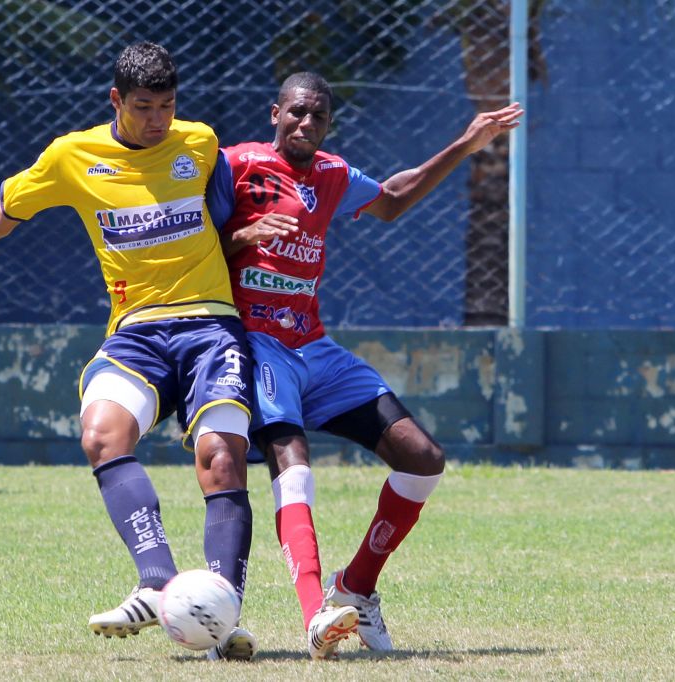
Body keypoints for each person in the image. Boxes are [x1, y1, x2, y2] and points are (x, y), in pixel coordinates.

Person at [0, 42, 258, 661]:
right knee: (101, 433)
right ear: (115, 100)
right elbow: (0, 215)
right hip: (137, 330)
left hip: (210, 326)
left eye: (168, 106)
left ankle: (223, 616)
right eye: (144, 107)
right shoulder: (73, 156)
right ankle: (158, 582)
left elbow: (233, 219)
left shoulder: (199, 144)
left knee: (221, 458)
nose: (158, 121)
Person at [210, 72, 523, 658]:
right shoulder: (235, 165)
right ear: (274, 111)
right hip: (256, 343)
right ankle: (315, 617)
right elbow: (193, 245)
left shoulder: (331, 173)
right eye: (298, 112)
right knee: (291, 463)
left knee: (423, 458)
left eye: (319, 116)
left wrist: (464, 143)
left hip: (316, 348)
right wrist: (243, 233)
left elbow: (394, 200)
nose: (306, 124)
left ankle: (356, 587)